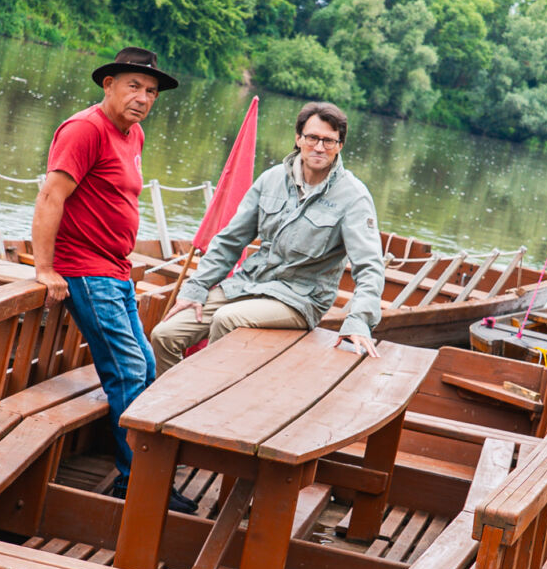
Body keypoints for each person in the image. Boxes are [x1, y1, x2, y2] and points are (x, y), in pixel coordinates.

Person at [31, 46, 177, 499]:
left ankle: (143, 476)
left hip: (116, 272)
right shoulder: (84, 129)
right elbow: (51, 197)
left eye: (151, 91)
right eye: (134, 86)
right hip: (87, 272)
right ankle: (138, 485)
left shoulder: (132, 135)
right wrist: (44, 269)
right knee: (131, 369)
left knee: (146, 364)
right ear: (108, 84)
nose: (143, 98)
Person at [150, 101, 385, 374]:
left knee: (227, 319)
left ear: (340, 145)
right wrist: (196, 288)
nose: (319, 147)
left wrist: (359, 320)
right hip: (249, 284)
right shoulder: (272, 179)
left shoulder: (353, 196)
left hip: (299, 300)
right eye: (312, 138)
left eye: (329, 141)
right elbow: (229, 241)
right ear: (298, 138)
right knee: (164, 335)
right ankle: (173, 396)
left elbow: (369, 266)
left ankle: (201, 402)